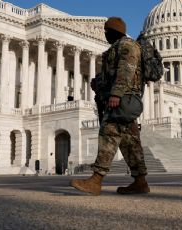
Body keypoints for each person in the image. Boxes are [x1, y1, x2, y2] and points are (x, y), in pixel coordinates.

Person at [70, 17, 149, 195]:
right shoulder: (118, 47)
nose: (104, 35)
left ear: (112, 31)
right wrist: (98, 83)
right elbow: (112, 74)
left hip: (122, 101)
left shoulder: (126, 45)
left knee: (108, 134)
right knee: (131, 143)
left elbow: (127, 68)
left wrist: (116, 93)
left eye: (106, 31)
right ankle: (140, 181)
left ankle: (96, 180)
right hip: (125, 100)